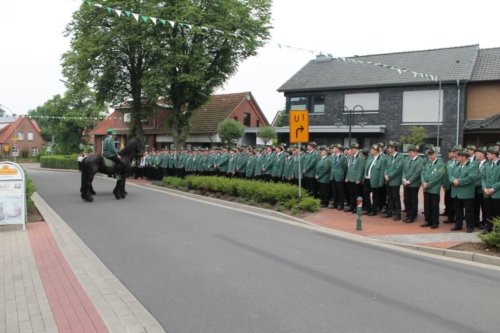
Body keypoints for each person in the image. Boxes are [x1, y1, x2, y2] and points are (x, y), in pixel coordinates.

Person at [450, 149, 478, 233]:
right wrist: (452, 180)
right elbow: (450, 174)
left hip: (466, 193)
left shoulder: (472, 166)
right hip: (456, 192)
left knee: (468, 211)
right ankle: (458, 225)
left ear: (464, 157)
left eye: (458, 156)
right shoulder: (456, 165)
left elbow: (471, 178)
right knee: (458, 210)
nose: (457, 157)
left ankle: (470, 226)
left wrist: (459, 182)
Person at [420, 148, 445, 229]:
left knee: (434, 206)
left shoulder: (440, 164)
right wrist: (423, 182)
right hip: (425, 187)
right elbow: (422, 173)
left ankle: (435, 222)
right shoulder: (427, 163)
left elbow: (439, 176)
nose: (429, 156)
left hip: (434, 188)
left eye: (431, 155)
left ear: (435, 154)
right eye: (428, 155)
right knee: (427, 205)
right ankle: (428, 220)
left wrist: (429, 184)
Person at [382, 141, 404, 221]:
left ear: (393, 148)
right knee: (390, 197)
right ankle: (389, 212)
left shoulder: (400, 157)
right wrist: (385, 175)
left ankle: (398, 214)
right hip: (388, 180)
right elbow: (386, 167)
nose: (388, 149)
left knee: (396, 198)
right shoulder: (389, 157)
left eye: (389, 147)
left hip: (395, 180)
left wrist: (389, 176)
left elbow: (397, 169)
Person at [402, 145, 423, 223]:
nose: (409, 154)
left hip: (414, 184)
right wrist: (404, 179)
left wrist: (409, 181)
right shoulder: (407, 160)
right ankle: (408, 214)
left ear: (416, 152)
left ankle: (412, 216)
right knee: (406, 200)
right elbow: (404, 170)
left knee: (413, 200)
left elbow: (417, 173)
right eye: (409, 152)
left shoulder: (419, 161)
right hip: (406, 183)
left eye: (411, 152)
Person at [481, 147, 500, 234]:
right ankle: (488, 228)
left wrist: (492, 189)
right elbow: (483, 177)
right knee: (488, 212)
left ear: (493, 154)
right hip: (487, 193)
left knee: (497, 213)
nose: (487, 156)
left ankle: (497, 230)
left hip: (497, 194)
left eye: (488, 154)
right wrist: (485, 188)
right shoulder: (487, 165)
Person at [363, 144, 385, 216]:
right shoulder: (370, 158)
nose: (370, 151)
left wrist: (381, 182)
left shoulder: (382, 159)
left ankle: (374, 210)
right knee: (366, 194)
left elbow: (382, 171)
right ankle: (368, 209)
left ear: (376, 151)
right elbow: (366, 167)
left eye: (372, 150)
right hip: (367, 179)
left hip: (375, 180)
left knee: (375, 196)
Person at [345, 143, 365, 214]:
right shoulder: (352, 157)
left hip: (356, 179)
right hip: (350, 178)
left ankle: (357, 207)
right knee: (351, 193)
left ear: (356, 149)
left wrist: (358, 179)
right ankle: (352, 206)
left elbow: (361, 169)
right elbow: (349, 168)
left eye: (352, 149)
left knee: (357, 194)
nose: (351, 150)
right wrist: (347, 177)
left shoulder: (360, 158)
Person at [329, 144, 347, 210]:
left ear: (338, 149)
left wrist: (343, 175)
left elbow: (345, 167)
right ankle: (335, 203)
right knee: (334, 190)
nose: (333, 149)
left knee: (340, 191)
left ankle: (341, 204)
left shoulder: (343, 157)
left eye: (335, 148)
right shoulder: (333, 156)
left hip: (339, 175)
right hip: (333, 175)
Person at [474, 147, 487, 229]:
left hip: (482, 189)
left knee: (484, 207)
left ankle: (484, 222)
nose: (476, 155)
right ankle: (476, 221)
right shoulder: (476, 164)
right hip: (474, 189)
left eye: (477, 153)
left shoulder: (487, 164)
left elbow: (484, 177)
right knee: (475, 206)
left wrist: (478, 184)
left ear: (482, 154)